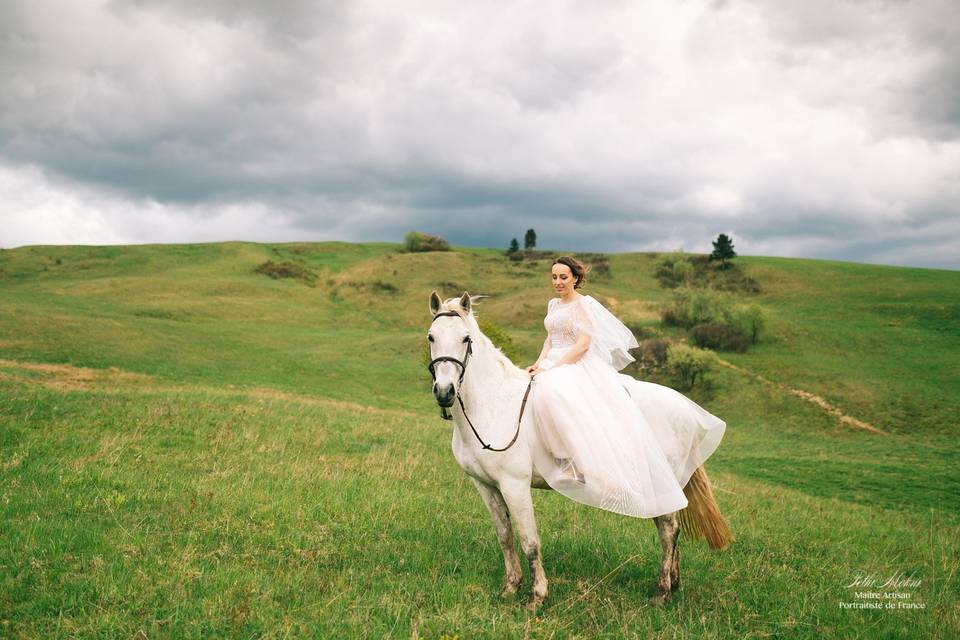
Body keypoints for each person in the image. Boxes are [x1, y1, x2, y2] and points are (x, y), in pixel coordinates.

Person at [524, 256, 726, 518]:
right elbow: (549, 341)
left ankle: (570, 463)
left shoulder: (584, 305)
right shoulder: (553, 305)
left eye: (563, 277)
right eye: (554, 277)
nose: (558, 282)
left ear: (575, 278)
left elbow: (583, 345)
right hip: (553, 361)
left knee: (554, 392)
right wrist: (538, 364)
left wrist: (554, 368)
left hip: (576, 363)